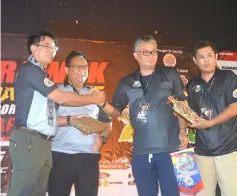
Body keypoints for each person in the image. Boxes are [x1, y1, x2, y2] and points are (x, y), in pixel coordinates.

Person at [8, 30, 105, 196]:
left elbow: (48, 116)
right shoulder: (30, 70)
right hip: (30, 139)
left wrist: (71, 119)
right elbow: (60, 98)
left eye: (53, 47)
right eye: (46, 46)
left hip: (44, 143)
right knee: (22, 191)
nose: (51, 50)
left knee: (37, 192)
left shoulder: (42, 74)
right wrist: (94, 100)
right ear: (33, 48)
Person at [101, 35, 189, 196]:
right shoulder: (126, 82)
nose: (151, 56)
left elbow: (182, 105)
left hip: (168, 149)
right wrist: (101, 103)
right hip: (141, 152)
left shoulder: (170, 75)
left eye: (154, 52)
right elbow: (115, 111)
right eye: (146, 52)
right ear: (136, 55)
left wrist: (182, 131)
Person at [48, 51, 112, 196]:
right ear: (66, 70)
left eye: (85, 67)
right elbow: (45, 121)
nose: (82, 71)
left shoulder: (96, 95)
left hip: (88, 158)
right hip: (61, 155)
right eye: (77, 67)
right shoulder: (56, 93)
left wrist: (102, 139)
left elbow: (108, 123)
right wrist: (72, 120)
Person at [187, 40, 237, 196]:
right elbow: (186, 112)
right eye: (201, 57)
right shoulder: (192, 84)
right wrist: (182, 131)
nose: (206, 60)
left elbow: (235, 106)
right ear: (195, 60)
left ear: (216, 57)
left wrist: (209, 123)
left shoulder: (228, 77)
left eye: (209, 55)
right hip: (202, 152)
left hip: (228, 150)